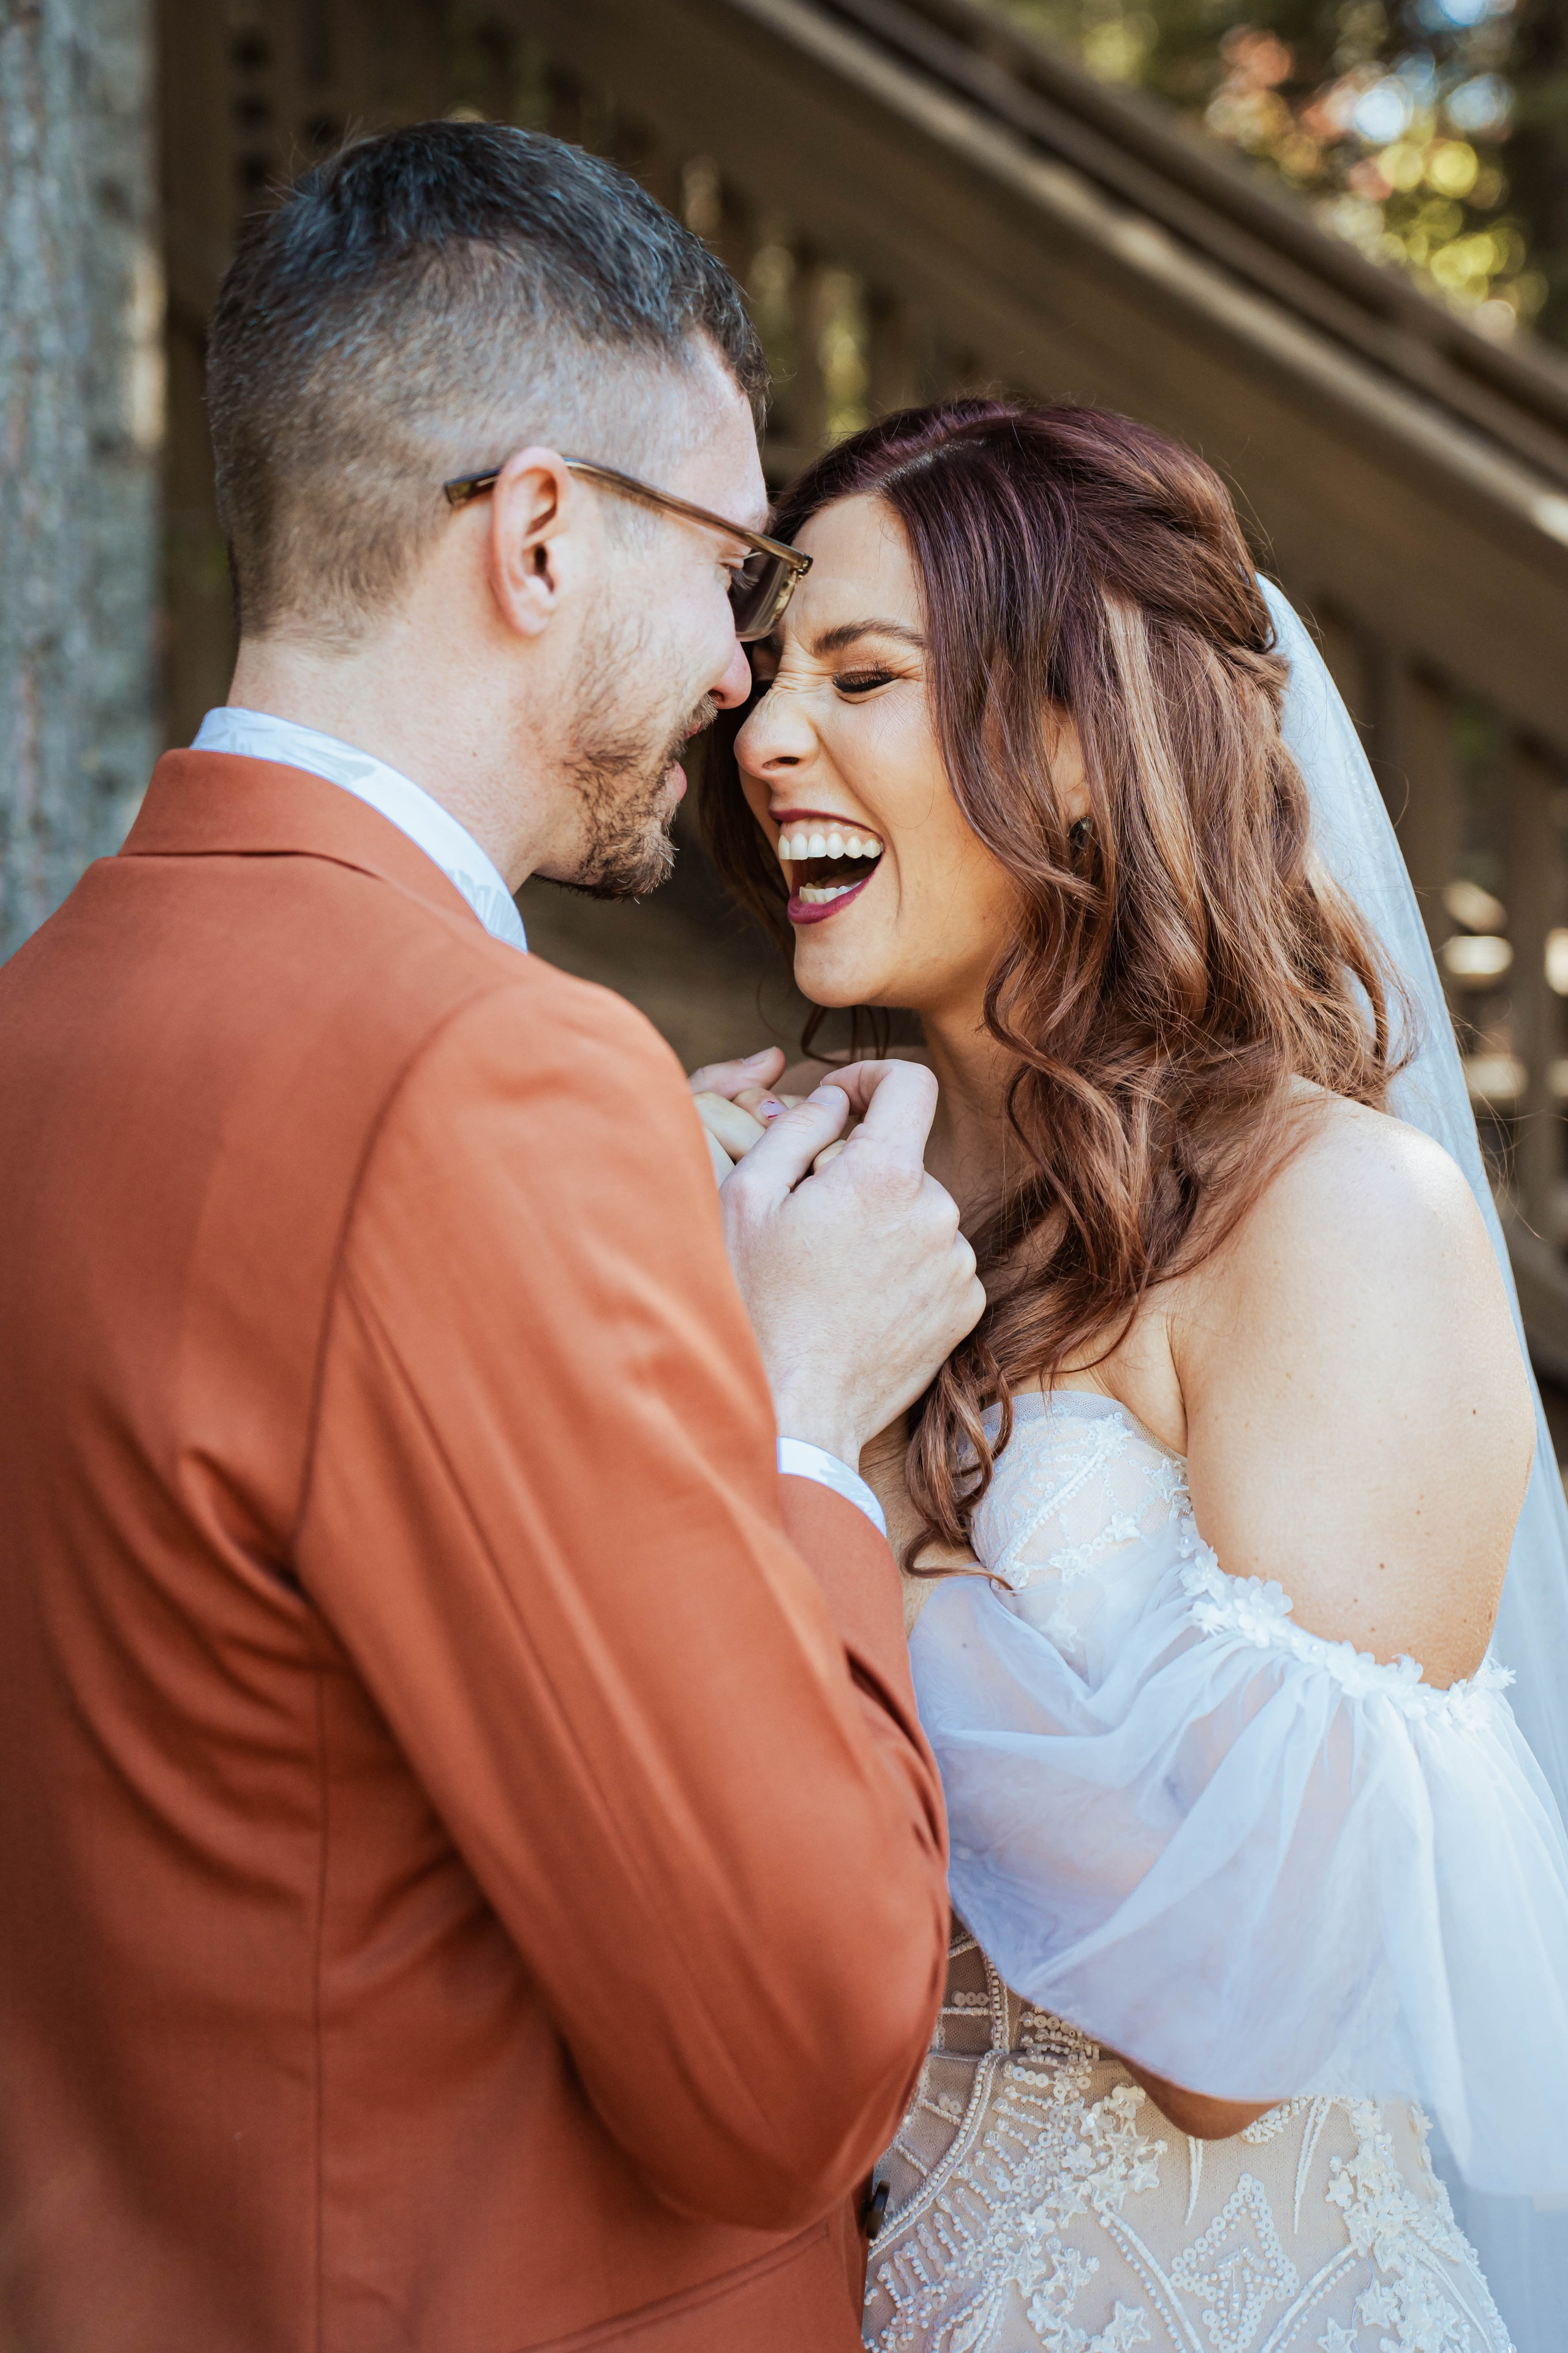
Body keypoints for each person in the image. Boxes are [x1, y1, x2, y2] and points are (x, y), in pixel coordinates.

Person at [0, 128, 988, 2352]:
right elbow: (792, 2059)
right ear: (542, 533)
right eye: (733, 572)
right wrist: (806, 1415)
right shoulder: (490, 1078)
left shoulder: (40, 1020)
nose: (748, 685)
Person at [694, 399, 1568, 2352]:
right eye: (767, 674)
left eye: (859, 673)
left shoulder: (1342, 1223)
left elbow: (1243, 2021)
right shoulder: (825, 1208)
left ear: (1086, 740)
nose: (760, 735)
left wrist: (845, 1479)